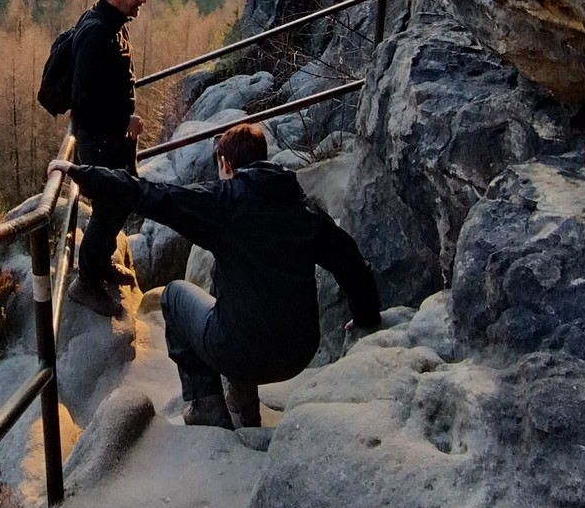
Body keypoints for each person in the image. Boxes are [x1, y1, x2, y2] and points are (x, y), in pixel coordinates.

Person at [50, 120, 381, 426]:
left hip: (240, 350)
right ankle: (242, 402)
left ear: (225, 164)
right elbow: (350, 260)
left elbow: (150, 195)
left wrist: (82, 173)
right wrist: (366, 316)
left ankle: (206, 404)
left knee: (175, 296)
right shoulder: (303, 209)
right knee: (238, 297)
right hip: (298, 352)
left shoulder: (223, 203)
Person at [66, 0, 147, 318]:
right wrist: (123, 121)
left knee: (119, 201)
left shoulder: (113, 24)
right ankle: (85, 282)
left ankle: (101, 262)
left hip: (113, 139)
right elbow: (83, 103)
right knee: (112, 205)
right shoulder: (97, 34)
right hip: (100, 141)